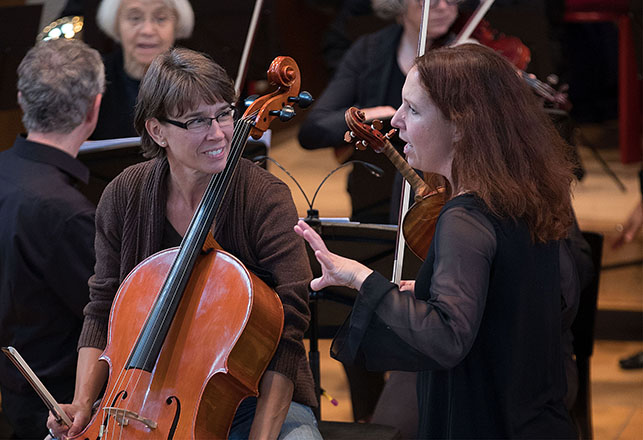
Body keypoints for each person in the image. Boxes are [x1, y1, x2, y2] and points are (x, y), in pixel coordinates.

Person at [295, 44, 579, 438]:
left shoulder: (464, 216)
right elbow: (560, 295)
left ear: (461, 125)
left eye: (412, 109)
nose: (395, 121)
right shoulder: (527, 195)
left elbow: (445, 338)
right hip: (537, 416)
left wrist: (361, 277)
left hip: (483, 421)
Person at [47, 47, 321, 440]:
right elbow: (102, 307)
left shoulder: (264, 198)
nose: (219, 133)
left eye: (224, 113)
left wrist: (262, 436)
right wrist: (82, 404)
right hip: (141, 395)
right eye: (197, 121)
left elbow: (291, 325)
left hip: (254, 398)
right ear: (157, 130)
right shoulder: (124, 195)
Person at [0, 39, 103, 439]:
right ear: (95, 109)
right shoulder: (68, 214)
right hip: (58, 410)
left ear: (23, 98)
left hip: (15, 390)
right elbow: (108, 318)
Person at [298, 0, 462, 224]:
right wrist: (372, 114)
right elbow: (314, 129)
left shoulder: (465, 56)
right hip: (374, 199)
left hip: (448, 202)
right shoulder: (369, 51)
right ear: (400, 5)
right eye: (429, 2)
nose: (443, 7)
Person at [90, 0, 194, 139]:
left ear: (177, 25)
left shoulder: (195, 80)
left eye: (161, 18)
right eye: (135, 18)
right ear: (116, 24)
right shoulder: (92, 80)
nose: (147, 31)